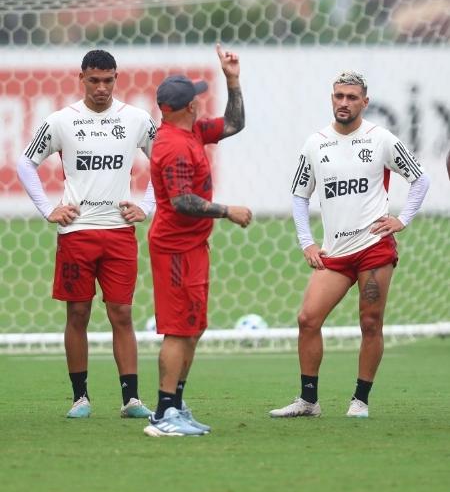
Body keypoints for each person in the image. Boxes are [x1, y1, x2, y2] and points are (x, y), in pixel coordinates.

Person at [270, 71, 430, 419]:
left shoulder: (381, 139)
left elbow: (420, 179)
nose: (344, 103)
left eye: (352, 97)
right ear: (332, 98)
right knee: (307, 319)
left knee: (370, 323)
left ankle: (360, 400)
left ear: (364, 102)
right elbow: (299, 196)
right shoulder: (316, 144)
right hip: (335, 253)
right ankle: (308, 401)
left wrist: (402, 219)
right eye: (339, 96)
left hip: (374, 248)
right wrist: (307, 243)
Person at [17, 49, 156, 419]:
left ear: (116, 78)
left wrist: (147, 206)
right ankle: (80, 398)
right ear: (81, 79)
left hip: (119, 231)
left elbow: (164, 160)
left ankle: (131, 400)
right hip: (76, 232)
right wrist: (49, 209)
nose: (100, 87)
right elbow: (26, 163)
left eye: (107, 80)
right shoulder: (62, 121)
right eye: (93, 80)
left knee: (122, 314)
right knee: (77, 313)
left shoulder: (137, 119)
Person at [143, 44, 252, 437]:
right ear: (186, 107)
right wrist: (227, 210)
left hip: (192, 247)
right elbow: (181, 201)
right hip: (174, 248)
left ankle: (176, 403)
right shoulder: (172, 145)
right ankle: (163, 414)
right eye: (196, 98)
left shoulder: (192, 132)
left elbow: (235, 124)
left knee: (193, 326)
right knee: (178, 328)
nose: (200, 103)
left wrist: (233, 80)